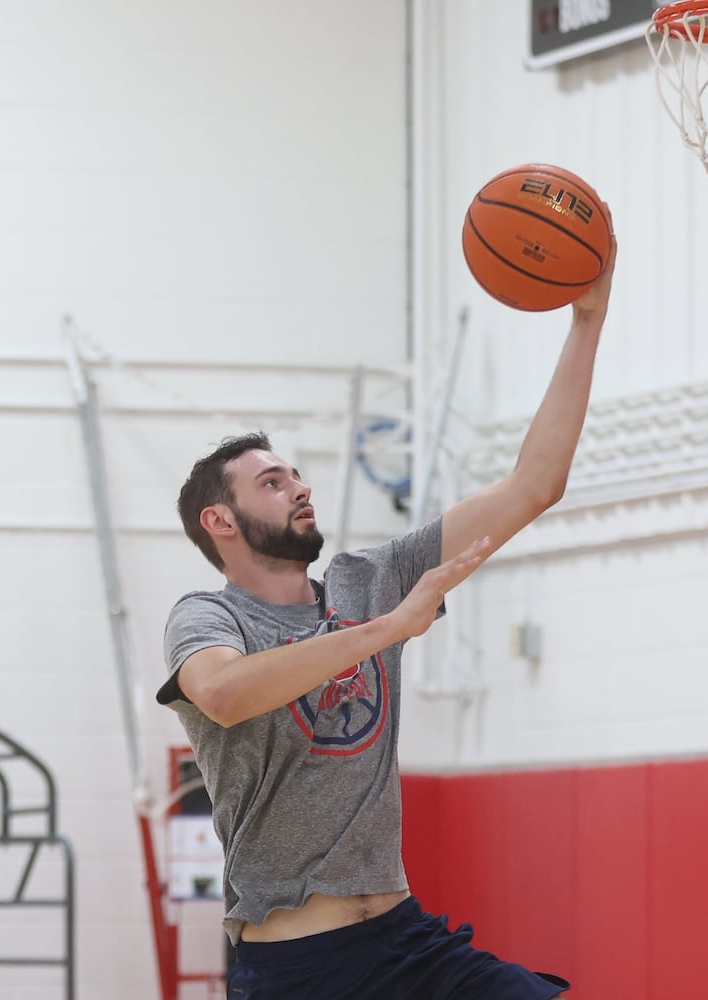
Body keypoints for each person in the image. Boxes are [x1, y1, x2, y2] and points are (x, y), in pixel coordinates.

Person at [156, 238, 616, 999]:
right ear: (220, 521)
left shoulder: (372, 577)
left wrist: (586, 320)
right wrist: (388, 629)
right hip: (298, 968)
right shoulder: (206, 616)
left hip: (407, 943)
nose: (300, 488)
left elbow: (536, 484)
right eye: (272, 482)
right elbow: (227, 694)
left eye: (298, 475)